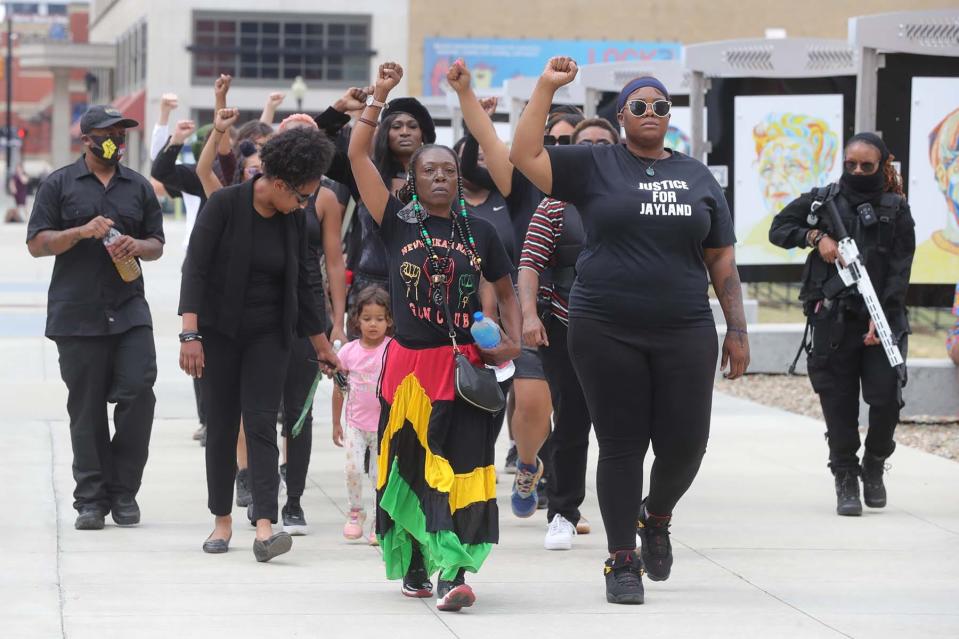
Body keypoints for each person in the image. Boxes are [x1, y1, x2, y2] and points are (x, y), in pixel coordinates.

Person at [510, 58, 750, 605]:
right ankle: (621, 560)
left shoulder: (697, 176)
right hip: (604, 326)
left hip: (685, 326)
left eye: (660, 106)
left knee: (687, 444)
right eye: (638, 106)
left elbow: (722, 260)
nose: (650, 113)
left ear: (671, 117)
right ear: (622, 117)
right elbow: (523, 154)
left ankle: (656, 514)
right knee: (622, 445)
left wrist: (736, 327)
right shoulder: (595, 164)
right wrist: (547, 87)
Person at [349, 62, 520, 612]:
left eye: (448, 169)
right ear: (415, 180)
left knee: (464, 467)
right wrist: (379, 96)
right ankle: (421, 562)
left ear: (459, 175)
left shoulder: (485, 231)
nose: (441, 177)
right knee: (413, 465)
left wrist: (513, 341)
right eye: (430, 171)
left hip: (465, 369)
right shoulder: (396, 220)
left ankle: (455, 570)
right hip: (408, 371)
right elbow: (356, 156)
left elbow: (508, 292)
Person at [178, 126, 340, 562]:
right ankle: (221, 521)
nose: (306, 204)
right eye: (302, 195)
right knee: (223, 423)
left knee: (263, 422)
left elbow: (307, 282)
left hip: (271, 333)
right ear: (280, 184)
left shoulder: (293, 219)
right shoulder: (224, 206)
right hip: (218, 333)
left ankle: (266, 525)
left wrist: (322, 343)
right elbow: (194, 269)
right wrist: (189, 333)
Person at [26, 105, 165, 530]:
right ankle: (91, 500)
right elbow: (36, 243)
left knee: (139, 393)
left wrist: (137, 246)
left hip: (129, 310)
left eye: (121, 134)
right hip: (77, 313)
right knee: (85, 409)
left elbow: (157, 243)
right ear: (86, 140)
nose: (117, 141)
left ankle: (124, 491)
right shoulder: (59, 185)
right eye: (108, 134)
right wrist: (79, 232)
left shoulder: (138, 187)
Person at [448, 59, 575, 517]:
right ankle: (527, 464)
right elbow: (490, 141)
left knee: (576, 418)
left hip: (592, 316)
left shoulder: (604, 191)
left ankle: (565, 500)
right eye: (552, 139)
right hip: (532, 316)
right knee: (533, 403)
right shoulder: (523, 190)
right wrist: (466, 94)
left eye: (569, 141)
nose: (560, 147)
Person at [770, 132, 915, 517]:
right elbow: (778, 229)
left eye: (866, 166)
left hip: (882, 319)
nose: (857, 171)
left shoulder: (897, 209)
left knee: (886, 400)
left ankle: (875, 461)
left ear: (882, 166)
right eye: (851, 164)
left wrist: (879, 314)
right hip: (833, 321)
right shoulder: (824, 200)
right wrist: (815, 236)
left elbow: (901, 270)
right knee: (838, 404)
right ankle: (846, 476)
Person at [518, 116, 619, 551]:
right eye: (587, 143)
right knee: (572, 424)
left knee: (627, 427)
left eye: (603, 142)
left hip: (626, 329)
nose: (595, 149)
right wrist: (529, 316)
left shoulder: (633, 197)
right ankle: (562, 511)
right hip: (566, 326)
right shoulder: (555, 205)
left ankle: (633, 509)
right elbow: (529, 264)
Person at [333, 286, 393, 544]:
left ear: (389, 321)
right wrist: (337, 423)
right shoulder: (348, 352)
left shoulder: (393, 349)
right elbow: (339, 389)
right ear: (356, 320)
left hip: (383, 426)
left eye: (379, 319)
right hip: (356, 425)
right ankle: (356, 511)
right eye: (367, 318)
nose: (373, 324)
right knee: (353, 469)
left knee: (381, 476)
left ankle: (380, 520)